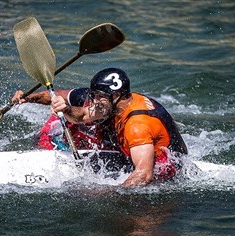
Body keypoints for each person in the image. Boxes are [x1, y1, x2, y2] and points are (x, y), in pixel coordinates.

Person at [12, 68, 188, 187]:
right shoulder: (114, 103)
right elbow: (81, 116)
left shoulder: (137, 125)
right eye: (93, 96)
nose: (94, 101)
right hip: (135, 153)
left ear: (117, 96)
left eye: (99, 97)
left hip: (167, 167)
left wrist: (110, 194)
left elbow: (143, 175)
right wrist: (58, 107)